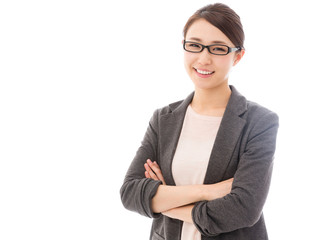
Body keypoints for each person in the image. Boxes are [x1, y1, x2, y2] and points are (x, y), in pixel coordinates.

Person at [120, 3, 279, 240]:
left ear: (238, 56)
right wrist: (210, 191)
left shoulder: (259, 122)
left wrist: (165, 201)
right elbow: (131, 193)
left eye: (218, 49)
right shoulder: (163, 119)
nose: (204, 58)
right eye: (194, 45)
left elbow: (243, 209)